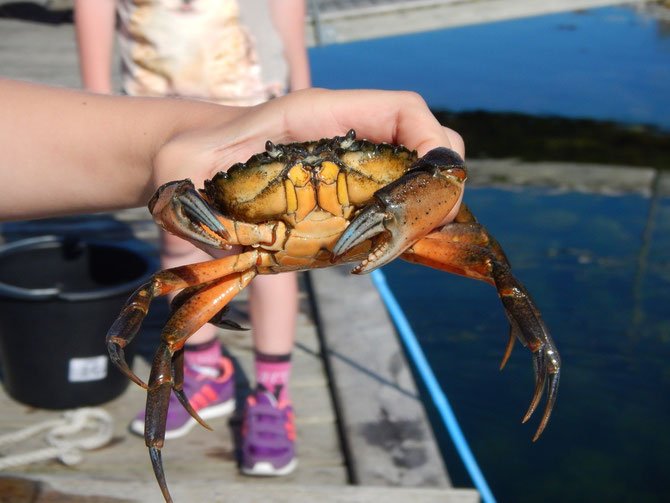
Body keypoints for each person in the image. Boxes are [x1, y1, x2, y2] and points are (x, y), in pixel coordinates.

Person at [0, 79, 465, 474]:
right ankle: (171, 419)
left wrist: (414, 200)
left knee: (491, 264)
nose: (315, 180)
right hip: (252, 245)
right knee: (164, 318)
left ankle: (271, 390)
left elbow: (445, 170)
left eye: (350, 160)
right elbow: (171, 197)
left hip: (365, 210)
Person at [73, 0, 311, 475]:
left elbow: (288, 9)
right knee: (180, 243)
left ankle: (272, 392)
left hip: (251, 95)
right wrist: (98, 103)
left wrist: (302, 90)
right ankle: (204, 369)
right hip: (155, 100)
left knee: (272, 252)